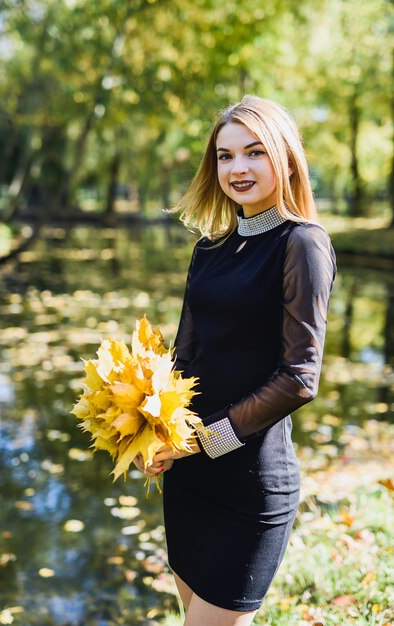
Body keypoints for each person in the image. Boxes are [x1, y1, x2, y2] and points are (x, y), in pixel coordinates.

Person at [134, 95, 337, 626]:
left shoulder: (303, 244)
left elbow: (298, 380)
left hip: (251, 487)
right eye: (225, 156)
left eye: (253, 153)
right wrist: (154, 434)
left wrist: (203, 441)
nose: (237, 168)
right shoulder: (210, 248)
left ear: (286, 159)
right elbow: (185, 357)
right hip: (188, 482)